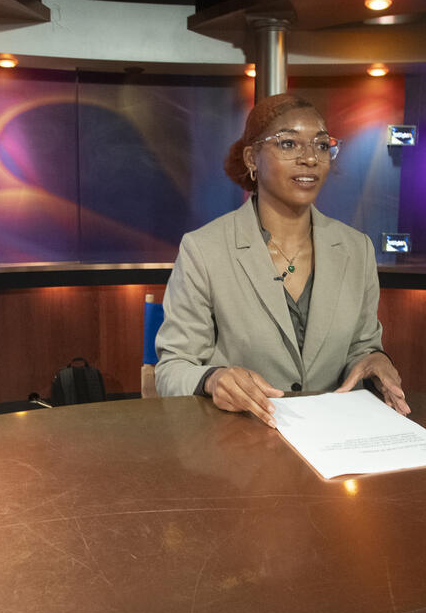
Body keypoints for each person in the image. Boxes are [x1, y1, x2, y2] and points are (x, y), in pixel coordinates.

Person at [155, 92, 408, 428]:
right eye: (289, 144)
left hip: (334, 441)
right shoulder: (204, 250)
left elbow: (363, 346)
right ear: (251, 158)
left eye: (320, 145)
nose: (310, 158)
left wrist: (376, 360)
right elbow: (173, 369)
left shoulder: (355, 248)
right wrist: (213, 379)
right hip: (240, 448)